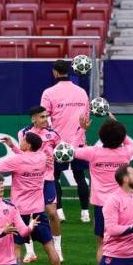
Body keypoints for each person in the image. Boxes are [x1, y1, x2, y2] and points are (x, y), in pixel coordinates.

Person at [0, 132, 72, 265]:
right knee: (49, 247)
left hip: (19, 213)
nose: (20, 142)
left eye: (22, 141)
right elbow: (27, 158)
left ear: (27, 145)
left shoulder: (17, 160)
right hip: (38, 211)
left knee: (16, 250)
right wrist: (13, 147)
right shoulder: (42, 157)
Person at [74, 119, 133, 265]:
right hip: (124, 202)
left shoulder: (93, 152)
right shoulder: (126, 152)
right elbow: (132, 143)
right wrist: (118, 125)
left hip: (102, 205)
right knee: (130, 242)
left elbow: (72, 149)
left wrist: (82, 128)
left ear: (101, 136)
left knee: (103, 244)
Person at [4, 106, 65, 263]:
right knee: (26, 215)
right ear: (34, 119)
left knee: (52, 212)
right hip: (30, 179)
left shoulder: (53, 134)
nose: (45, 120)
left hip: (48, 178)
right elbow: (23, 154)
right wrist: (12, 146)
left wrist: (56, 158)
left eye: (46, 116)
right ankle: (30, 252)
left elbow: (62, 151)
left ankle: (58, 248)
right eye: (42, 117)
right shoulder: (23, 133)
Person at [41, 59, 91, 223]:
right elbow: (86, 119)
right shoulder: (82, 92)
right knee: (80, 177)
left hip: (57, 144)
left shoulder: (48, 92)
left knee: (54, 177)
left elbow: (44, 119)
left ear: (55, 72)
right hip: (78, 142)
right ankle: (85, 213)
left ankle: (60, 212)